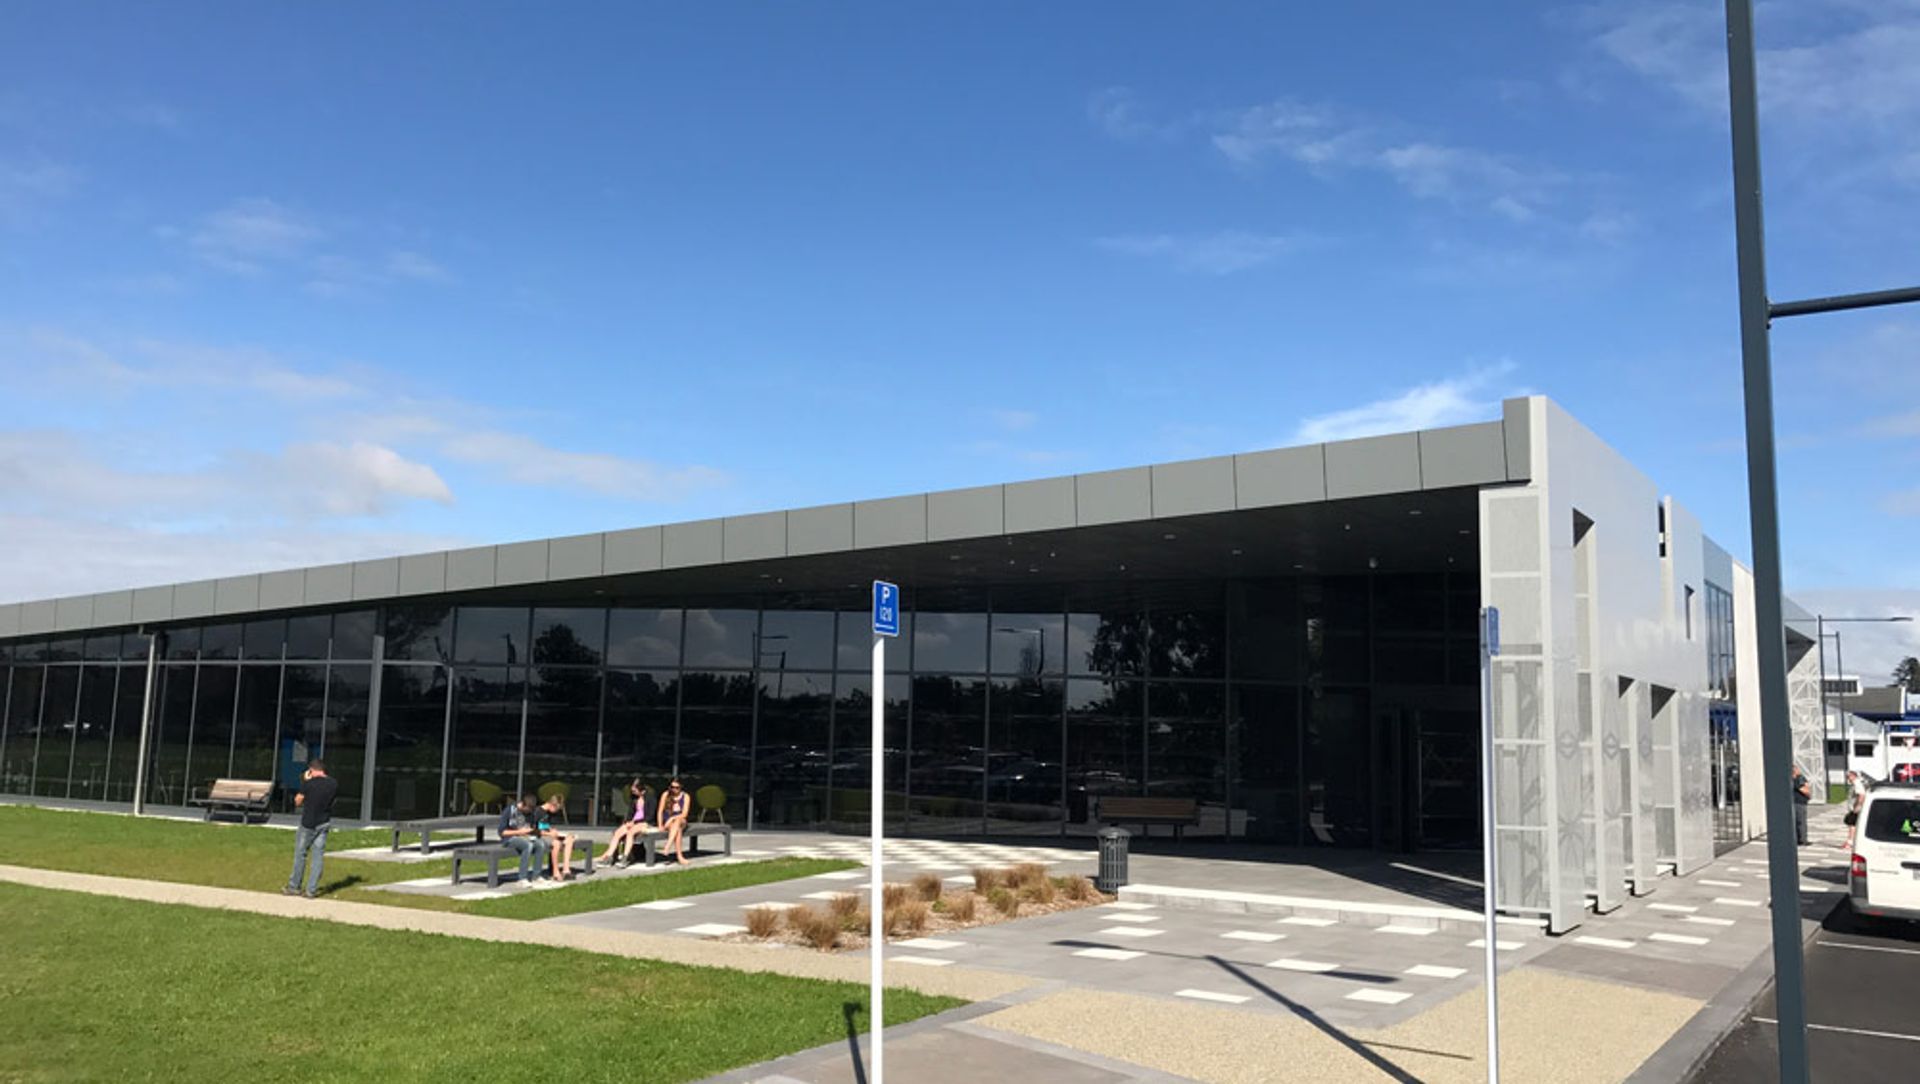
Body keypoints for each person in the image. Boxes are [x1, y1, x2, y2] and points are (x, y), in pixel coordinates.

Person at [284, 759, 338, 899]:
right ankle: (311, 890)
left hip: (308, 824)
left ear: (312, 770)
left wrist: (305, 782)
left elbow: (298, 801)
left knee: (301, 854)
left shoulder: (309, 784)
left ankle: (294, 886)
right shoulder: (333, 784)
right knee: (318, 856)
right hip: (324, 822)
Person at [499, 794, 549, 885]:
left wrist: (533, 831)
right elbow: (502, 832)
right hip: (510, 838)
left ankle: (536, 876)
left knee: (540, 844)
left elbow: (535, 826)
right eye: (526, 810)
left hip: (525, 836)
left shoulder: (531, 813)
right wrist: (519, 832)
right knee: (528, 845)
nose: (528, 813)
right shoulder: (510, 811)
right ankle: (522, 878)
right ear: (522, 804)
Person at [601, 780, 652, 868]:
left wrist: (634, 823)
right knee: (618, 832)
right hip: (633, 822)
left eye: (635, 790)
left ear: (642, 790)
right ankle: (609, 857)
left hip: (645, 822)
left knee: (631, 832)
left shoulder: (650, 799)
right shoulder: (634, 799)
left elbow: (649, 816)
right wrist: (628, 822)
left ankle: (625, 857)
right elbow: (630, 814)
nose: (633, 792)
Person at [537, 793, 578, 881]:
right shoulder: (538, 812)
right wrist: (549, 833)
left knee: (570, 838)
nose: (556, 812)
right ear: (553, 805)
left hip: (549, 834)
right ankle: (555, 872)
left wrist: (552, 830)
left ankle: (566, 870)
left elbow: (545, 826)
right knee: (556, 843)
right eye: (557, 809)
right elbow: (535, 830)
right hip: (542, 836)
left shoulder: (548, 813)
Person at [660, 777, 691, 866]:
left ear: (681, 787)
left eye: (677, 787)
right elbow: (660, 811)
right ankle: (679, 856)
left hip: (680, 820)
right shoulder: (665, 794)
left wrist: (672, 818)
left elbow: (684, 813)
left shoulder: (686, 796)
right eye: (672, 787)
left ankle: (667, 846)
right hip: (668, 822)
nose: (674, 789)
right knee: (678, 830)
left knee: (677, 822)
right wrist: (660, 824)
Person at [1791, 764, 1812, 845]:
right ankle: (1802, 840)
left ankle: (1801, 838)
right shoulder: (1796, 780)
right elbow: (1804, 790)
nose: (1798, 770)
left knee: (1800, 821)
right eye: (1796, 769)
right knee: (1800, 821)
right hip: (1798, 802)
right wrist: (1808, 795)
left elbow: (1806, 785)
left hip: (1801, 802)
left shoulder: (1800, 778)